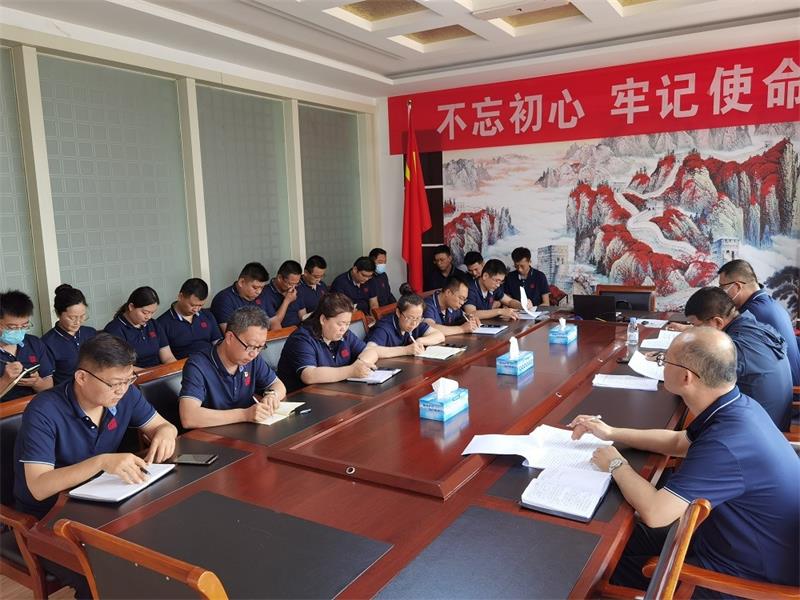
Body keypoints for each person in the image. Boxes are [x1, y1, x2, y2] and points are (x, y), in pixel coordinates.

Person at [569, 327, 799, 593]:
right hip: (728, 539)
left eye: (664, 360)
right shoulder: (738, 405)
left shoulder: (726, 444)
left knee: (591, 567)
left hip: (744, 578)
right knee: (614, 539)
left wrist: (615, 464)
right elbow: (679, 443)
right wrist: (611, 433)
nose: (661, 365)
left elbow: (656, 513)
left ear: (686, 377)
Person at [13, 333, 178, 599]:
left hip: (103, 505)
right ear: (82, 377)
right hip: (49, 519)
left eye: (128, 380)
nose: (122, 390)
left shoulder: (125, 395)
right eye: (114, 383)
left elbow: (162, 426)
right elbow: (39, 487)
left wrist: (166, 433)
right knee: (108, 577)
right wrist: (101, 462)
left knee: (163, 548)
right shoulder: (44, 410)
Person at [683, 287, 792, 430]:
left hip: (760, 429)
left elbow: (696, 381)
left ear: (717, 322)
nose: (694, 330)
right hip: (774, 417)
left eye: (696, 325)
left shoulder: (734, 348)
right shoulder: (752, 323)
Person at [179, 306, 287, 429]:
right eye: (250, 346)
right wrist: (245, 415)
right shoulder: (198, 365)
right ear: (230, 337)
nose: (254, 354)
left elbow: (278, 385)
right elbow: (189, 417)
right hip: (213, 435)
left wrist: (272, 395)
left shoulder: (252, 358)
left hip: (248, 431)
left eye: (260, 347)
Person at [277, 292, 381, 392]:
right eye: (340, 324)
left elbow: (370, 351)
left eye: (347, 324)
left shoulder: (343, 333)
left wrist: (360, 363)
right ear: (323, 319)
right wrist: (351, 371)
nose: (344, 329)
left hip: (335, 391)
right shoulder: (301, 339)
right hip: (302, 397)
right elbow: (309, 375)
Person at [717, 259, 799, 385]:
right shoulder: (767, 302)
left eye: (723, 288)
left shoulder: (752, 313)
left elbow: (724, 347)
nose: (721, 294)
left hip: (787, 388)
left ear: (737, 286)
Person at [104, 287, 177, 370]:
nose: (148, 317)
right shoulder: (114, 330)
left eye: (152, 313)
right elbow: (122, 367)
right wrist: (151, 374)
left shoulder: (153, 324)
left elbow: (168, 357)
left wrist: (177, 371)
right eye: (145, 312)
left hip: (158, 372)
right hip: (134, 375)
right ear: (131, 307)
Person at [0, 290, 54, 401]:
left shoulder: (34, 343)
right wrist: (5, 380)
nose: (19, 331)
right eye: (12, 327)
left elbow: (49, 386)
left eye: (24, 326)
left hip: (35, 406)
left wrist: (37, 382)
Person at [41, 284, 97, 386]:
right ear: (58, 313)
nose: (78, 322)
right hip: (67, 391)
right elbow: (48, 382)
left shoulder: (90, 333)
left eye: (82, 316)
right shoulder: (47, 343)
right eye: (72, 317)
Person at [156, 278, 222, 360]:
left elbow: (217, 343)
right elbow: (168, 358)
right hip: (184, 364)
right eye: (192, 305)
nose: (196, 309)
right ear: (180, 297)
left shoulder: (207, 315)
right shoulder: (162, 324)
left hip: (210, 361)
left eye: (200, 305)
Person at [366, 294, 445, 355]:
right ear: (398, 313)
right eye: (410, 318)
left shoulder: (417, 322)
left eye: (418, 318)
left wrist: (419, 341)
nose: (414, 323)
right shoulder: (384, 328)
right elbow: (370, 350)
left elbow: (440, 336)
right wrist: (406, 350)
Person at [210, 262, 270, 332]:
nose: (259, 292)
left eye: (262, 288)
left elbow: (270, 323)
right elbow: (231, 334)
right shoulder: (224, 299)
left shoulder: (261, 296)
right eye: (255, 287)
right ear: (241, 282)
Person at [463, 259, 527, 321]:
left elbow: (509, 301)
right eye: (497, 281)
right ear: (485, 276)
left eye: (500, 282)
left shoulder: (493, 287)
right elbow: (471, 314)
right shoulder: (470, 289)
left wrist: (523, 305)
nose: (498, 285)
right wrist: (500, 311)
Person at [262, 260, 307, 329]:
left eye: (296, 283)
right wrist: (287, 301)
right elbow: (274, 324)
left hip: (299, 330)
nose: (293, 287)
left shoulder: (295, 289)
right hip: (281, 332)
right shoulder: (265, 293)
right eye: (290, 284)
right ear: (280, 278)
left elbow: (303, 316)